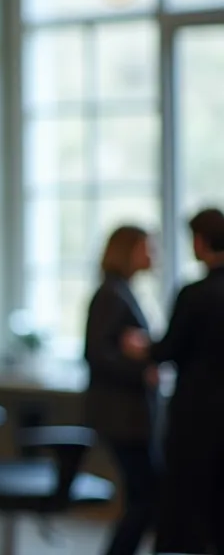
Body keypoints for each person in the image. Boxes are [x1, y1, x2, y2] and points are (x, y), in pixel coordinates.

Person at [126, 208, 224, 554]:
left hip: (197, 410)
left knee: (189, 493)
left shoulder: (195, 294)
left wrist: (143, 348)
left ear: (199, 242)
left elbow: (168, 349)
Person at [82, 225, 159, 555]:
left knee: (144, 495)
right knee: (148, 495)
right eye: (146, 248)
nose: (153, 255)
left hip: (128, 415)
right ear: (127, 251)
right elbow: (97, 354)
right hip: (120, 417)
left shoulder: (121, 290)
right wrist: (142, 367)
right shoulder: (111, 294)